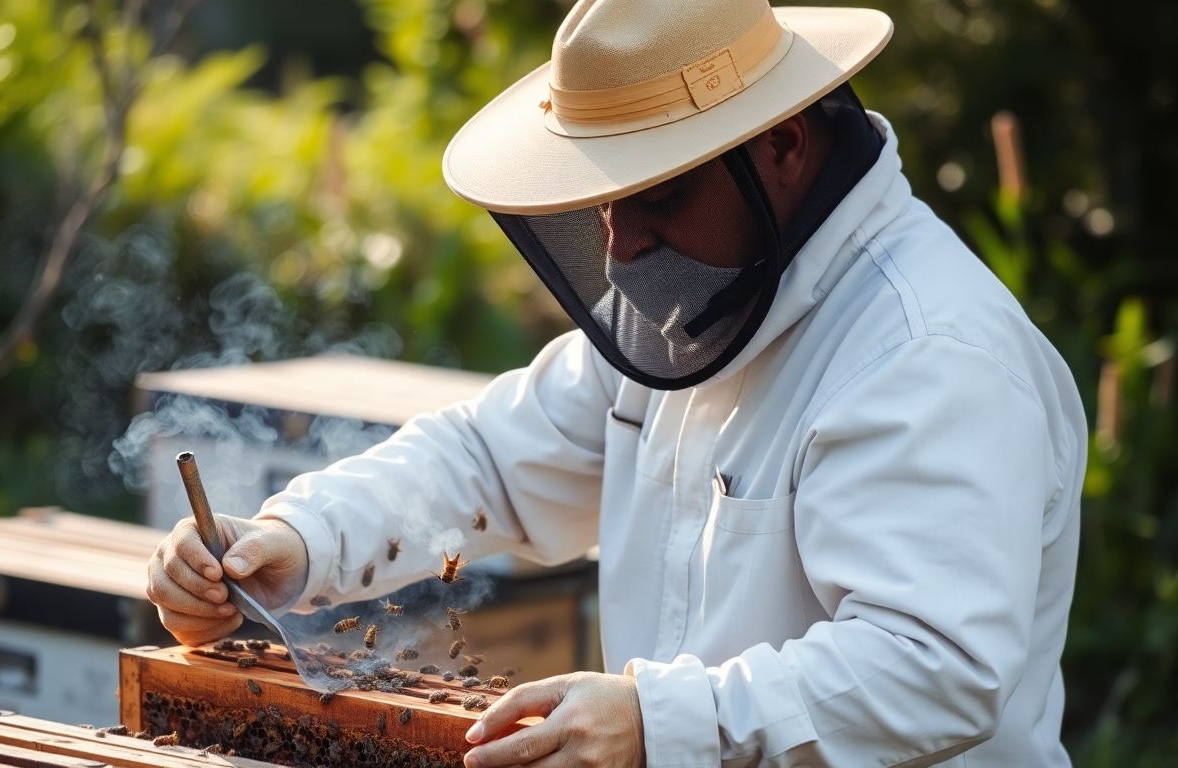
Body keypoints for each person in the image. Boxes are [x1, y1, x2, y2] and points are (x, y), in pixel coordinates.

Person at [146, 0, 1086, 765]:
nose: (622, 245)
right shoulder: (699, 307)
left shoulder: (928, 352)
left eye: (660, 194)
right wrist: (295, 538)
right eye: (604, 200)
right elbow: (489, 461)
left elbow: (934, 669)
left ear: (784, 147)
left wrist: (660, 722)